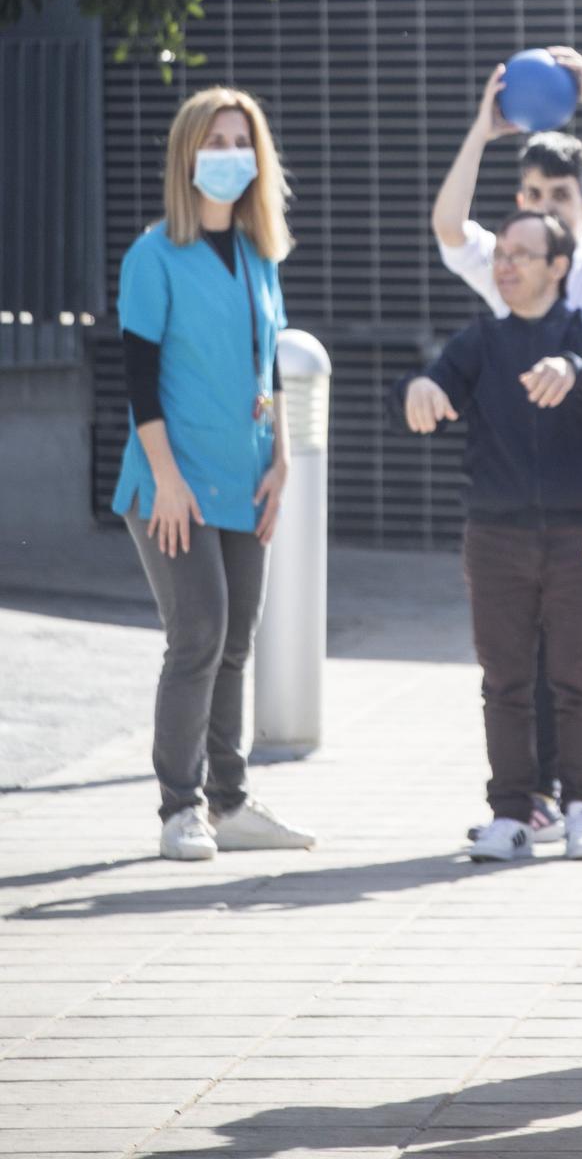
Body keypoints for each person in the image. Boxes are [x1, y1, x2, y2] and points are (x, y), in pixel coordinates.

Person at [432, 46, 582, 851]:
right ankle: (531, 799)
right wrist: (480, 128)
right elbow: (446, 226)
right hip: (519, 508)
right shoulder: (511, 268)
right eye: (530, 194)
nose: (543, 205)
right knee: (528, 660)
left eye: (559, 195)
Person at [113, 87, 314, 861]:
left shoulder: (262, 253)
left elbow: (269, 362)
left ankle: (231, 802)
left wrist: (283, 460)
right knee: (197, 632)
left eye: (242, 142)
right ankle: (179, 808)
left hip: (246, 476)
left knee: (236, 640)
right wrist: (166, 479)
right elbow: (138, 379)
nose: (229, 156)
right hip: (174, 481)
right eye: (215, 142)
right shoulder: (154, 254)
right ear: (187, 155)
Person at [402, 210, 582, 863]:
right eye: (500, 253)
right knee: (503, 681)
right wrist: (420, 387)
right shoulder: (481, 340)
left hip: (578, 537)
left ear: (558, 267)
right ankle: (509, 814)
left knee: (577, 680)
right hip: (496, 537)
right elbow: (431, 382)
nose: (503, 266)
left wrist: (581, 372)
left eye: (520, 255)